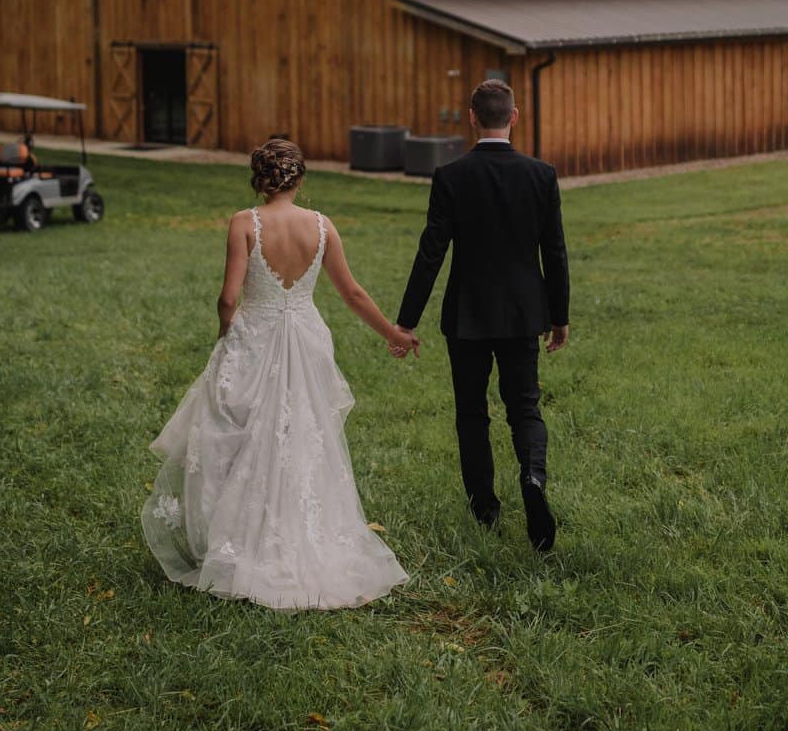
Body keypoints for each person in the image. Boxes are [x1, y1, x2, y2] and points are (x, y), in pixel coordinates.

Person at [142, 137, 418, 609]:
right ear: (300, 178)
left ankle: (236, 540)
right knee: (303, 438)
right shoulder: (322, 226)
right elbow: (351, 292)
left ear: (258, 178)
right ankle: (301, 533)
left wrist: (228, 333)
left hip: (257, 335)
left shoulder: (243, 223)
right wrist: (392, 332)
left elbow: (229, 297)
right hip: (306, 338)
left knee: (239, 435)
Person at [396, 79, 570, 550]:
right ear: (514, 117)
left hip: (467, 317)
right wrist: (559, 317)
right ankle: (532, 479)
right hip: (522, 315)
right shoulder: (541, 175)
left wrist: (406, 321)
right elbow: (554, 252)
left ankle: (484, 508)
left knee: (471, 413)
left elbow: (431, 252)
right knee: (525, 408)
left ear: (472, 118)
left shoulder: (451, 176)